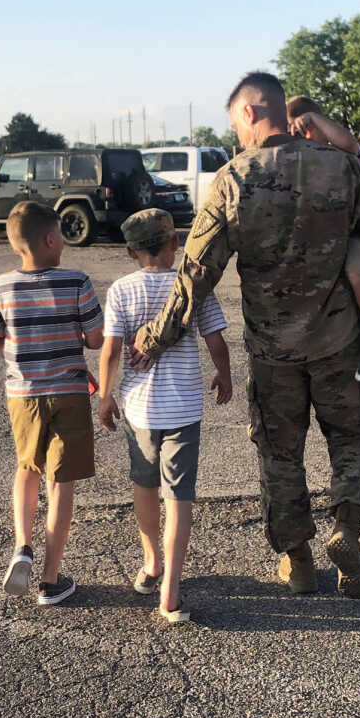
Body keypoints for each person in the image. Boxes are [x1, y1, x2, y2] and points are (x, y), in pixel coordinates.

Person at [130, 72, 360, 599]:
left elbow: (195, 275)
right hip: (340, 344)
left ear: (251, 113)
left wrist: (154, 338)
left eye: (235, 124)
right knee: (354, 438)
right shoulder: (342, 168)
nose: (237, 136)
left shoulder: (232, 180)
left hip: (273, 353)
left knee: (280, 453)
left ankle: (297, 562)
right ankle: (346, 530)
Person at [98, 208, 232, 623]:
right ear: (176, 244)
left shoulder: (121, 289)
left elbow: (111, 350)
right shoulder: (193, 287)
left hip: (140, 409)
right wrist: (224, 375)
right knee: (180, 497)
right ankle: (170, 592)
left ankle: (151, 562)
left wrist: (105, 397)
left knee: (143, 485)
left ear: (130, 252)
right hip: (184, 407)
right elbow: (216, 340)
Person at [0, 201, 103, 606]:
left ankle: (22, 546)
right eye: (62, 234)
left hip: (23, 395)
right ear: (50, 239)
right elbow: (95, 338)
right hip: (68, 391)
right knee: (60, 481)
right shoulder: (76, 281)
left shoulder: (1, 286)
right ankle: (51, 580)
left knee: (27, 467)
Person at [287, 95, 360, 383]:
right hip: (319, 235)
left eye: (307, 128)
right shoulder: (296, 160)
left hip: (357, 231)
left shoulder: (341, 155)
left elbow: (351, 143)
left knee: (356, 265)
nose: (302, 135)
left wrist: (314, 119)